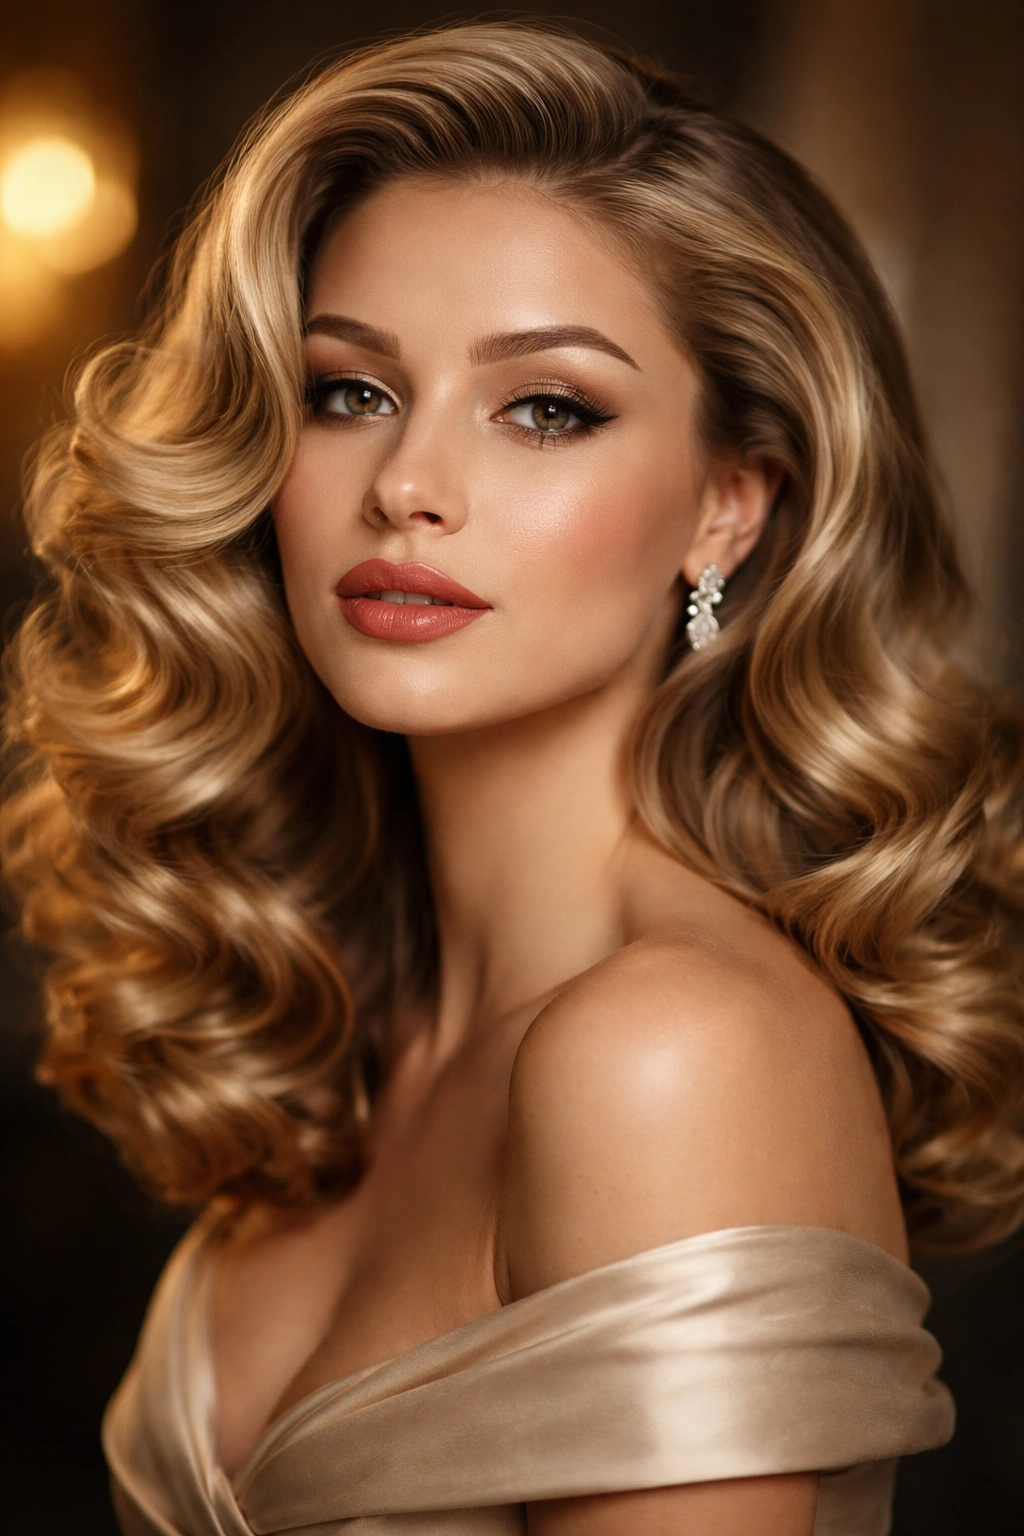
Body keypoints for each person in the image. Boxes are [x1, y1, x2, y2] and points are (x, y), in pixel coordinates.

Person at [5, 21, 1024, 1536]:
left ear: (727, 510)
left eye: (548, 407)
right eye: (348, 391)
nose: (409, 485)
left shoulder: (675, 1053)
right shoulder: (356, 1020)